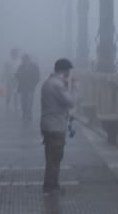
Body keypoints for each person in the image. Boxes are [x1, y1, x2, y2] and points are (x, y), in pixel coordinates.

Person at [40, 58, 76, 196]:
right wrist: (75, 88)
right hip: (55, 126)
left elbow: (56, 104)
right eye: (68, 71)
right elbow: (71, 102)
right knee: (55, 158)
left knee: (51, 157)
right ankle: (51, 187)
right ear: (63, 71)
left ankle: (52, 185)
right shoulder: (58, 85)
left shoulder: (48, 83)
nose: (68, 74)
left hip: (48, 124)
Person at [15, 54, 40, 121]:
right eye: (24, 60)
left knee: (30, 101)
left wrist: (34, 84)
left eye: (26, 60)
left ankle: (29, 114)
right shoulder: (21, 66)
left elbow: (37, 77)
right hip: (23, 86)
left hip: (31, 87)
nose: (25, 61)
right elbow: (16, 75)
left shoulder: (34, 67)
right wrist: (20, 76)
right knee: (23, 101)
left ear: (29, 60)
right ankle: (24, 112)